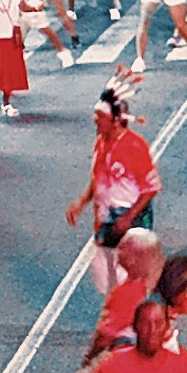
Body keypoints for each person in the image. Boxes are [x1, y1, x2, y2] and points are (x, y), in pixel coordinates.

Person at [67, 91, 159, 293]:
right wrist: (81, 202)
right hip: (107, 219)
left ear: (116, 121)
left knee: (131, 276)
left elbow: (151, 188)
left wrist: (128, 217)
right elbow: (97, 178)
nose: (94, 120)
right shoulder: (101, 142)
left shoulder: (135, 146)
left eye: (100, 116)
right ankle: (119, 312)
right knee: (107, 273)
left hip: (131, 219)